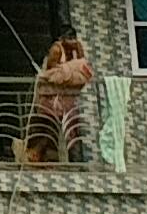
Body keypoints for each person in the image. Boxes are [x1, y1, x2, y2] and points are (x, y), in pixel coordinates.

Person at [25, 32, 97, 165]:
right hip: (51, 96)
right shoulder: (57, 49)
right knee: (49, 126)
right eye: (69, 40)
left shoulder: (77, 48)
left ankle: (70, 159)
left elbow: (83, 65)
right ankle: (35, 153)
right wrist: (69, 70)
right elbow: (53, 75)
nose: (72, 43)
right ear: (63, 39)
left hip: (67, 98)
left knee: (71, 128)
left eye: (74, 40)